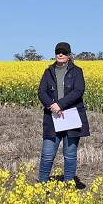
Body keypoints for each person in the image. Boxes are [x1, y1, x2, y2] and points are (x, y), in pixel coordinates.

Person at [37, 42, 88, 183]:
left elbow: (79, 90)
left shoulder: (77, 71)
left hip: (70, 117)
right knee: (47, 153)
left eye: (64, 52)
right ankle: (41, 184)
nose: (60, 54)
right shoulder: (48, 71)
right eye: (58, 52)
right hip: (52, 117)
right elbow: (41, 92)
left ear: (69, 55)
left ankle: (69, 185)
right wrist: (51, 105)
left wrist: (60, 104)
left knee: (70, 154)